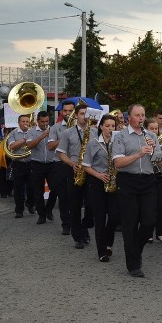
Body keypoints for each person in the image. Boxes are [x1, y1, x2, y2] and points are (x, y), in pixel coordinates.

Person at [112, 104, 159, 278]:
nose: (141, 118)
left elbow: (158, 162)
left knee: (149, 221)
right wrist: (139, 154)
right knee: (130, 224)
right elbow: (118, 163)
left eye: (143, 115)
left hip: (148, 180)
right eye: (137, 115)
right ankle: (133, 265)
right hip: (128, 181)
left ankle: (135, 250)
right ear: (129, 118)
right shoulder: (121, 137)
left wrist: (156, 153)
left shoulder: (151, 135)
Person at [56, 103, 96, 249]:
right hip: (74, 170)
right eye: (81, 114)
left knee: (91, 204)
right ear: (76, 115)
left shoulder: (94, 132)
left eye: (86, 114)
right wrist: (72, 164)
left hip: (90, 171)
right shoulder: (67, 132)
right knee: (75, 205)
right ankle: (77, 236)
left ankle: (84, 227)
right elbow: (61, 152)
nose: (84, 117)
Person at [82, 114, 120, 263]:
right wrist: (99, 175)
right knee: (99, 218)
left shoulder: (117, 142)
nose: (110, 129)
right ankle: (101, 251)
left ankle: (108, 242)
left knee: (115, 216)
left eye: (113, 126)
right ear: (101, 127)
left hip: (113, 181)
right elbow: (86, 166)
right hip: (97, 182)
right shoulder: (93, 143)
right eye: (108, 126)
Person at [48, 101, 75, 234]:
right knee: (63, 196)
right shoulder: (55, 128)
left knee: (76, 196)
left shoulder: (81, 127)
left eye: (70, 111)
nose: (68, 113)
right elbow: (51, 146)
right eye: (65, 111)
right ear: (61, 112)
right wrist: (65, 138)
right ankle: (66, 224)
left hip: (77, 164)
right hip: (60, 164)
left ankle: (77, 223)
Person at [26, 111, 54, 224]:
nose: (45, 124)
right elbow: (29, 145)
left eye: (47, 121)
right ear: (38, 121)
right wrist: (42, 136)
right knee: (38, 190)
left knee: (56, 188)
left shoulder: (53, 130)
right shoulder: (32, 131)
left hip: (52, 163)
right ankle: (41, 215)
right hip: (37, 163)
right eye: (42, 122)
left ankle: (49, 209)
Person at [145, 118, 162, 244]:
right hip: (147, 174)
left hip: (158, 174)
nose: (155, 131)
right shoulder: (143, 138)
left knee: (161, 204)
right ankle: (148, 233)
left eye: (156, 128)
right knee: (148, 206)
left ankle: (161, 233)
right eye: (152, 128)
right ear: (146, 129)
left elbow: (160, 163)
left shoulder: (155, 139)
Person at [8, 114, 33, 217]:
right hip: (18, 163)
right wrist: (25, 139)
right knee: (18, 188)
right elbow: (12, 146)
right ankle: (19, 210)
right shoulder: (13, 133)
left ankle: (31, 204)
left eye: (27, 122)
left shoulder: (33, 132)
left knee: (32, 187)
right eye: (23, 121)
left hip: (31, 163)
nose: (25, 124)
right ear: (19, 123)